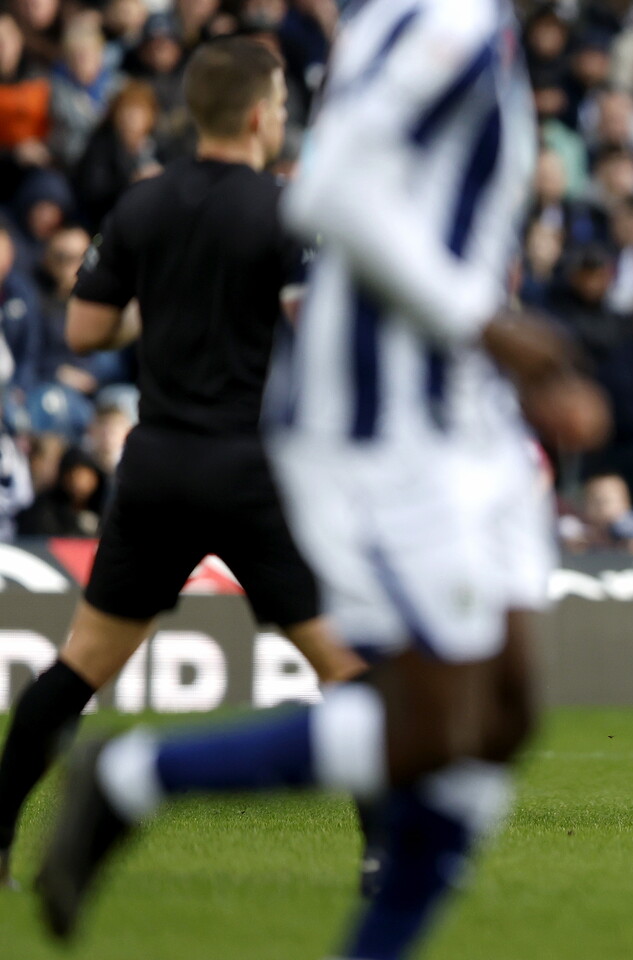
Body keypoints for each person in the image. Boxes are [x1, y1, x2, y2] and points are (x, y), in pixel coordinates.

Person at [34, 7, 607, 960]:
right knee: (425, 715)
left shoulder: (479, 22)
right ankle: (135, 776)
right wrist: (490, 324)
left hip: (466, 420)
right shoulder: (442, 18)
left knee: (501, 719)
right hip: (386, 425)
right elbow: (331, 188)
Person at [1, 35, 366, 893]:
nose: (282, 120)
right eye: (279, 108)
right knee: (350, 672)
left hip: (157, 464)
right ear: (255, 116)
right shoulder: (285, 208)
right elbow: (318, 331)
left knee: (81, 663)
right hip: (250, 470)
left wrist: (160, 313)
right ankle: (385, 860)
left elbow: (86, 331)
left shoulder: (141, 206)